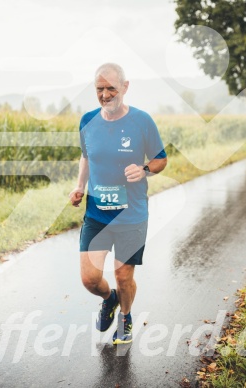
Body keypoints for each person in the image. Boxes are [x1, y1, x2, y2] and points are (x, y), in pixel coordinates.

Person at [69, 63, 167, 345]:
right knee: (90, 279)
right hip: (97, 214)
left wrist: (145, 170)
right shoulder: (87, 121)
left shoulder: (142, 121)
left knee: (123, 275)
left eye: (111, 88)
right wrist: (79, 186)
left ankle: (125, 317)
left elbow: (161, 159)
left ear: (125, 87)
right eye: (100, 89)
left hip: (132, 215)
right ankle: (108, 299)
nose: (105, 94)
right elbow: (86, 157)